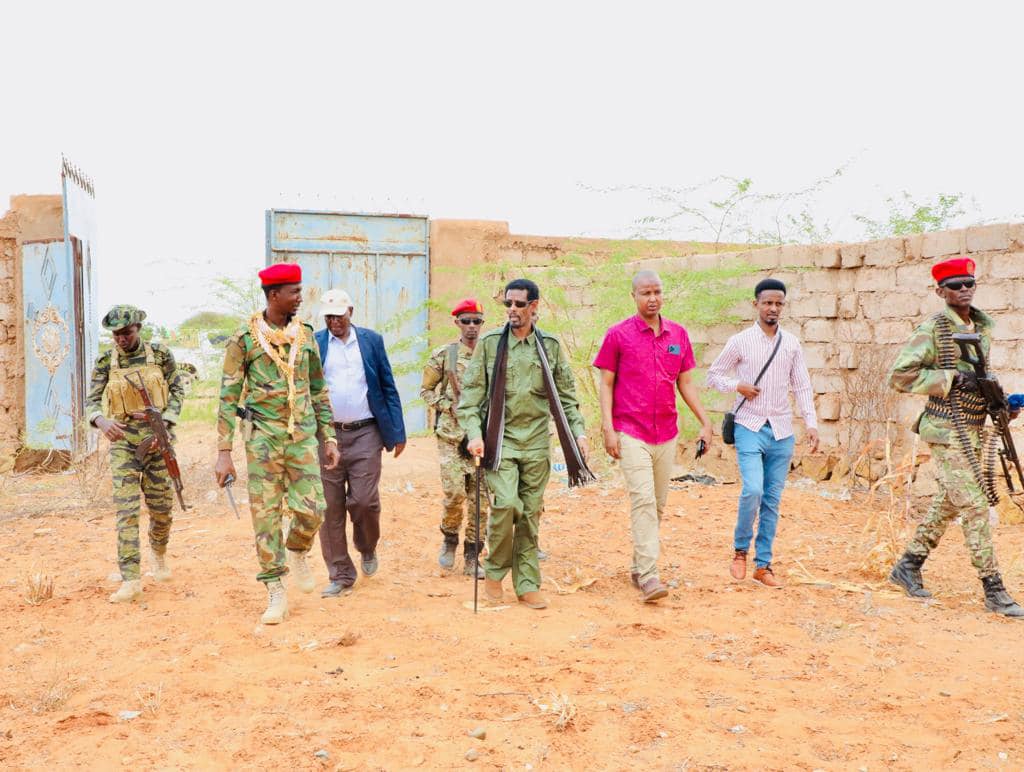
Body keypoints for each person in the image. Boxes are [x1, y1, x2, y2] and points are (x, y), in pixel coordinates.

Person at [887, 257, 1024, 617]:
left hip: (973, 428)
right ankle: (994, 589)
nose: (964, 290)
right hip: (947, 429)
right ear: (940, 291)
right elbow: (899, 376)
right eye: (955, 285)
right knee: (975, 505)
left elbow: (979, 376)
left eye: (969, 283)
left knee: (949, 501)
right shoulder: (934, 329)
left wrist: (1000, 404)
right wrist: (949, 379)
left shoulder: (980, 326)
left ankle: (908, 565)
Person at [214, 263, 340, 624]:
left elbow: (318, 390)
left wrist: (329, 436)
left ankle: (297, 548)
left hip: (301, 438)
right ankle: (275, 590)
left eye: (300, 290)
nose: (300, 297)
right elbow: (228, 397)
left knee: (314, 509)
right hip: (263, 442)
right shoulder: (244, 340)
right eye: (294, 292)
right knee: (266, 517)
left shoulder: (306, 336)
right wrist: (224, 453)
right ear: (274, 295)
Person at [458, 278, 592, 610]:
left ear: (534, 306)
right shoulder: (490, 344)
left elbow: (567, 397)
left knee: (530, 514)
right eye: (508, 304)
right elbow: (470, 397)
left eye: (519, 304)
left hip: (536, 443)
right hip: (500, 441)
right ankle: (494, 573)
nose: (512, 310)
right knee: (506, 505)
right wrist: (474, 434)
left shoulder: (550, 347)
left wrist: (579, 433)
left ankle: (527, 583)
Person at [593, 270, 713, 602]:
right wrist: (608, 429)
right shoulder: (618, 335)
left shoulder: (678, 334)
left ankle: (638, 566)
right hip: (631, 431)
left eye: (657, 292)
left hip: (666, 432)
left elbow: (685, 383)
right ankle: (649, 575)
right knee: (643, 500)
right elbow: (606, 384)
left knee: (658, 504)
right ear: (633, 296)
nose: (653, 299)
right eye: (646, 293)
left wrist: (705, 422)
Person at [707, 278, 819, 589]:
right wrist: (738, 386)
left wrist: (811, 423)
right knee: (753, 490)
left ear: (783, 306)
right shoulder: (740, 341)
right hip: (749, 425)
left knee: (772, 500)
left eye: (778, 304)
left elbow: (802, 386)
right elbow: (713, 376)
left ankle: (763, 564)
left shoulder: (791, 344)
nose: (773, 308)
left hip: (782, 431)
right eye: (767, 302)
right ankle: (740, 550)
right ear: (755, 304)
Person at [86, 305, 184, 604]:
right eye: (116, 334)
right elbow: (91, 401)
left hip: (158, 442)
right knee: (126, 512)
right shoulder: (106, 361)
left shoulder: (161, 355)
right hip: (124, 443)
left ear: (138, 329)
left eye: (127, 333)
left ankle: (159, 551)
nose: (121, 339)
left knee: (162, 508)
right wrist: (101, 421)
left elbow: (178, 391)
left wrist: (165, 424)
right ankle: (131, 579)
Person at [314, 288, 407, 598]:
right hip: (327, 436)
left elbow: (387, 385)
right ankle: (340, 573)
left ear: (350, 312)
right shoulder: (315, 343)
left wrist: (397, 431)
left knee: (364, 501)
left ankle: (367, 546)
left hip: (366, 432)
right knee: (330, 507)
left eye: (339, 316)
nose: (334, 322)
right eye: (328, 317)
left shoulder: (371, 341)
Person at [419, 297, 489, 577]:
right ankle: (449, 538)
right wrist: (448, 406)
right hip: (451, 437)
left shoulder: (491, 354)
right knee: (454, 495)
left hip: (481, 439)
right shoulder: (444, 355)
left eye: (476, 321)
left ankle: (473, 555)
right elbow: (426, 391)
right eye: (466, 321)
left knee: (480, 502)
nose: (472, 326)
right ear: (457, 323)